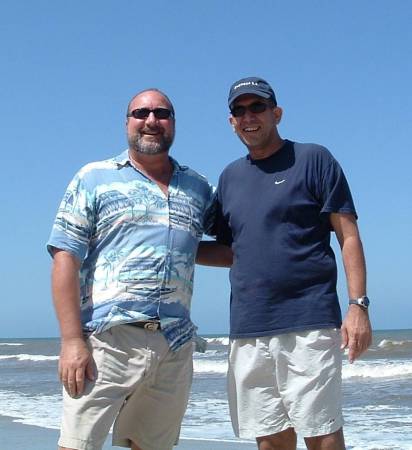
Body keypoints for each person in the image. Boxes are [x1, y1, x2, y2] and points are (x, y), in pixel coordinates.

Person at [197, 77, 372, 450]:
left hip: (308, 321)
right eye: (239, 110)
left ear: (276, 113)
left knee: (322, 432)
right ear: (231, 122)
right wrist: (174, 250)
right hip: (248, 326)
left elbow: (348, 235)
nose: (249, 117)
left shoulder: (314, 159)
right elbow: (230, 251)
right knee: (270, 438)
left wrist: (358, 305)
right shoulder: (229, 178)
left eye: (257, 107)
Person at [47, 88, 216, 450]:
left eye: (161, 113)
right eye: (141, 113)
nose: (151, 121)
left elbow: (239, 240)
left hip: (174, 343)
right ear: (127, 123)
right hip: (107, 341)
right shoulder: (94, 178)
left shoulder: (199, 188)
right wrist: (71, 341)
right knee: (77, 445)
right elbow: (65, 257)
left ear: (173, 123)